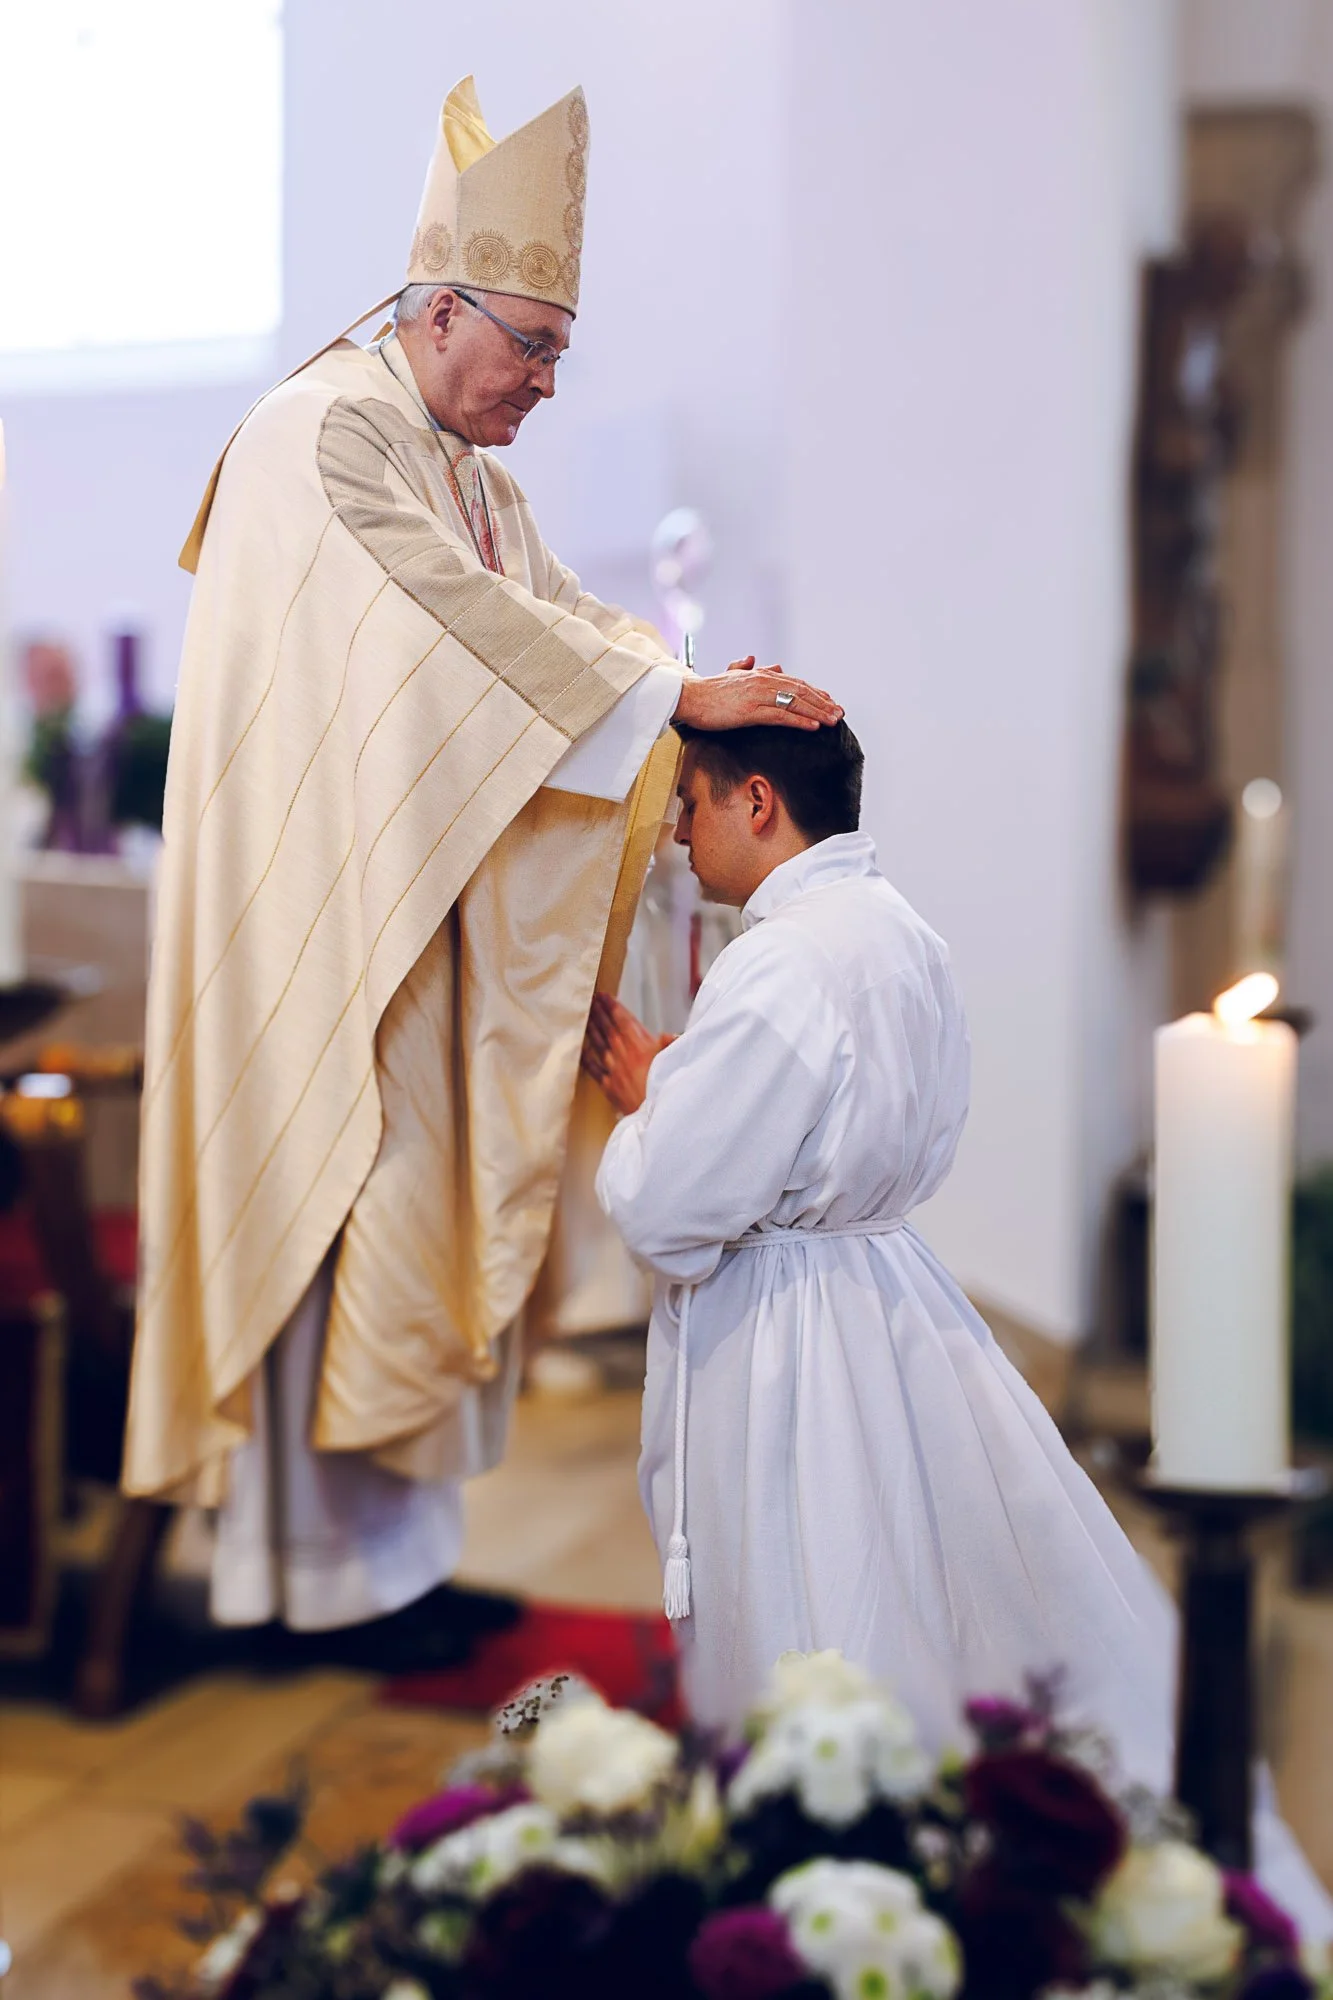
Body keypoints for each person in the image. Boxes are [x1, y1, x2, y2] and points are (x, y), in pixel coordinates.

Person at [121, 75, 840, 1668]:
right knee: (343, 1193)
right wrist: (667, 701)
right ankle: (297, 1589)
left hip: (420, 909)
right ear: (438, 310)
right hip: (326, 929)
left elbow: (560, 620)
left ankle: (395, 1573)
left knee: (409, 1218)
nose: (546, 384)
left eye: (562, 354)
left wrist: (672, 690)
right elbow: (458, 635)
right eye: (532, 347)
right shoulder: (325, 435)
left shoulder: (469, 467)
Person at [583, 720, 1333, 1937]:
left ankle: (823, 1886)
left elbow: (670, 1206)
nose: (677, 833)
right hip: (887, 1292)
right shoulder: (897, 931)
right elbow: (846, 1130)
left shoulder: (777, 964)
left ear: (759, 800)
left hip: (790, 1336)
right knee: (910, 1573)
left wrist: (650, 1097)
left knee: (804, 1588)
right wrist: (697, 1089)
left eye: (692, 805)